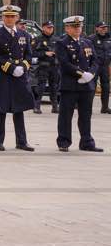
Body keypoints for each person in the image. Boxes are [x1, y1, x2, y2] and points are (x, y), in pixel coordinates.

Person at [0, 5, 35, 152]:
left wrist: (24, 67)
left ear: (17, 18)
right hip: (4, 76)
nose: (9, 19)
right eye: (6, 16)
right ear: (3, 18)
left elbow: (28, 54)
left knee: (19, 109)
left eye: (12, 16)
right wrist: (12, 68)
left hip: (20, 77)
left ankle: (22, 141)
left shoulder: (24, 35)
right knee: (0, 109)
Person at [56, 16, 103, 153]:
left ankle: (86, 142)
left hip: (86, 85)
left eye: (79, 26)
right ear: (67, 28)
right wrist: (81, 73)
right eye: (74, 27)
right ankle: (64, 141)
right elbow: (64, 63)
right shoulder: (62, 43)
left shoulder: (87, 42)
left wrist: (91, 74)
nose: (77, 29)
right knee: (66, 115)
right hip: (70, 85)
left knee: (86, 115)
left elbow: (95, 61)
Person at [32, 21, 59, 114]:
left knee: (54, 87)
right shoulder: (37, 39)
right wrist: (44, 53)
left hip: (54, 66)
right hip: (43, 66)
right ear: (43, 28)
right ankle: (37, 106)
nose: (50, 29)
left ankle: (55, 107)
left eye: (51, 27)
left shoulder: (56, 39)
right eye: (48, 27)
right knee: (41, 87)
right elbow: (32, 53)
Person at [93, 22, 111, 114]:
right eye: (102, 27)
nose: (104, 29)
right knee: (92, 86)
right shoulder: (92, 39)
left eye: (105, 27)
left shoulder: (109, 39)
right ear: (97, 28)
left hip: (105, 66)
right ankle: (87, 107)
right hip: (95, 66)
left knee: (106, 87)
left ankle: (105, 107)